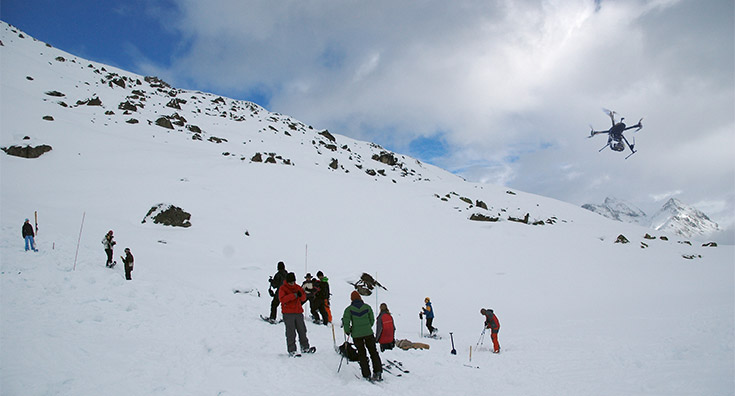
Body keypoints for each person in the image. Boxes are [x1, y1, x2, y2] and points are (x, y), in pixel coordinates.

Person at [342, 291, 382, 381]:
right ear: (360, 298)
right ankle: (378, 371)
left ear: (351, 299)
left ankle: (366, 374)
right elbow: (372, 319)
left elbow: (346, 321)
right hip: (368, 333)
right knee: (373, 352)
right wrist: (367, 326)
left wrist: (348, 331)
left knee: (362, 354)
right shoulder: (367, 307)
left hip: (357, 335)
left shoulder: (349, 309)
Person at [278, 272, 315, 357]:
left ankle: (305, 347)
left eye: (293, 281)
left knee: (302, 330)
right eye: (291, 282)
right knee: (291, 332)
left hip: (298, 312)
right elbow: (282, 299)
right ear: (287, 281)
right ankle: (292, 350)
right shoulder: (283, 288)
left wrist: (301, 295)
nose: (292, 283)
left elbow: (303, 298)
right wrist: (294, 295)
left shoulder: (298, 287)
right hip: (288, 313)